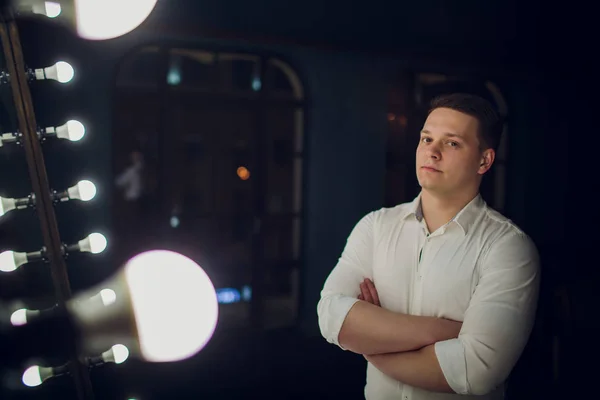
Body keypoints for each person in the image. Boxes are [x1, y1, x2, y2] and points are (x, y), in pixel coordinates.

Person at [317, 93, 540, 399]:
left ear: (484, 160)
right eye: (426, 139)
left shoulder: (508, 248)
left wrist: (372, 342)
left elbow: (476, 370)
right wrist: (441, 331)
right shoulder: (376, 226)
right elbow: (330, 315)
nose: (431, 152)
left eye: (452, 143)